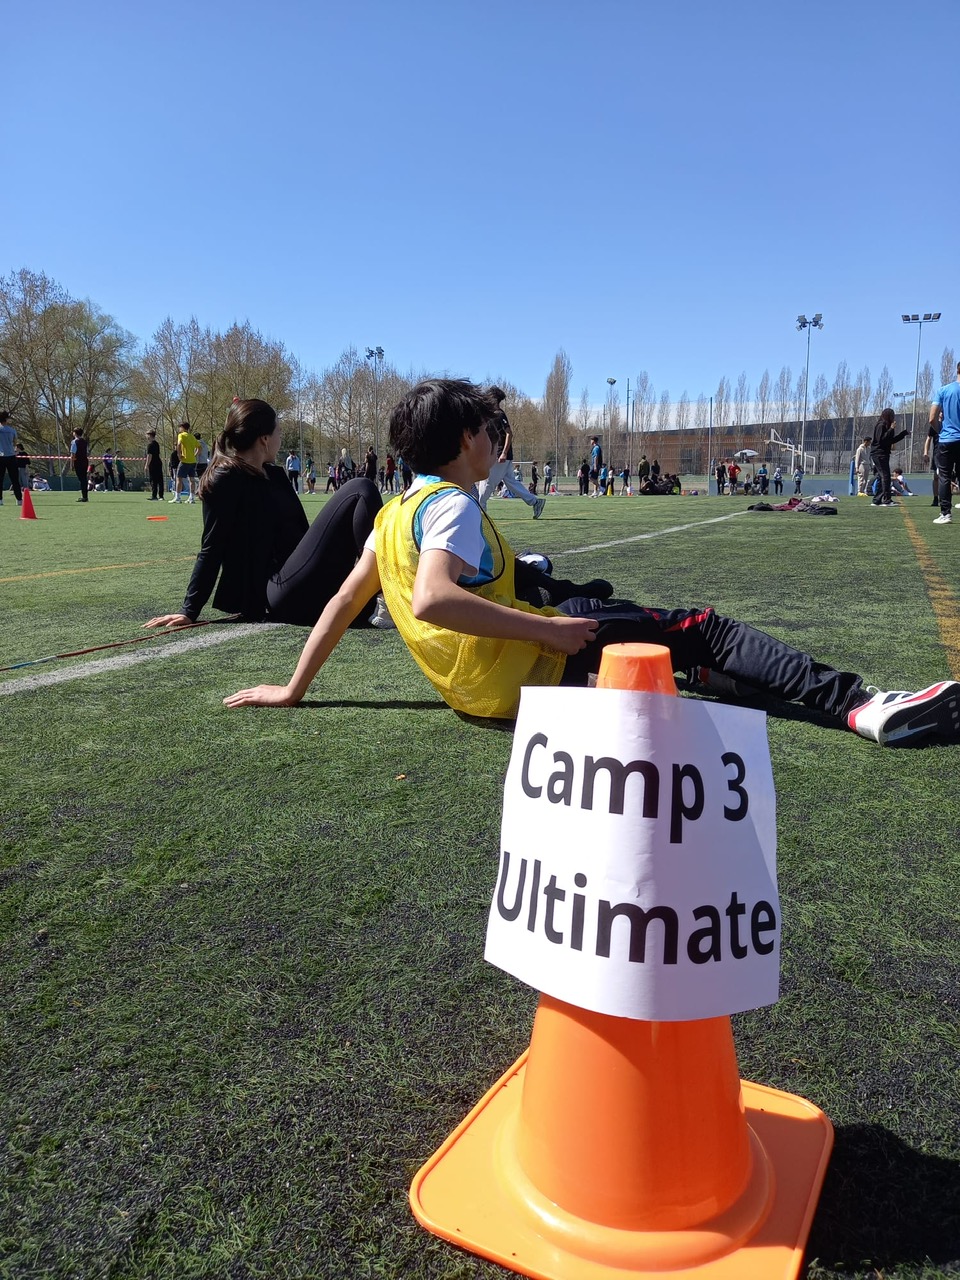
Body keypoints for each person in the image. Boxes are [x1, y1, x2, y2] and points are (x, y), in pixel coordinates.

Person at [223, 378, 960, 747]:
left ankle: (708, 675)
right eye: (487, 428)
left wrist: (293, 689)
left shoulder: (392, 515)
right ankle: (862, 704)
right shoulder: (451, 506)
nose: (495, 439)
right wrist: (546, 631)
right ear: (464, 442)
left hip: (485, 698)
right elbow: (432, 599)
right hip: (535, 669)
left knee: (637, 634)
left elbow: (342, 604)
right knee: (705, 627)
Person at [145, 399, 383, 630]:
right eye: (278, 431)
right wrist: (189, 610)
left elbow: (301, 536)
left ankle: (379, 596)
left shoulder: (275, 476)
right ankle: (384, 594)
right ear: (264, 439)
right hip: (278, 592)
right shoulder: (226, 479)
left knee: (364, 600)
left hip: (302, 580)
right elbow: (211, 548)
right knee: (360, 489)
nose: (281, 438)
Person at [476, 387, 545, 519]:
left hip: (500, 456)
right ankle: (535, 502)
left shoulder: (499, 414)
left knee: (486, 485)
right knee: (512, 484)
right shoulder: (491, 415)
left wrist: (504, 453)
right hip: (500, 456)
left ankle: (481, 516)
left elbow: (509, 433)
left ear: (493, 399)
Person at [932, 361, 960, 526]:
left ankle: (945, 513)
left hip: (947, 440)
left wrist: (940, 431)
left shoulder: (943, 390)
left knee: (944, 476)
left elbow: (932, 418)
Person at [869, 408, 908, 508]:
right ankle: (886, 500)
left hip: (882, 454)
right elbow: (881, 440)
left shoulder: (885, 426)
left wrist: (903, 434)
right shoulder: (881, 425)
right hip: (879, 454)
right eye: (892, 416)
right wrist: (891, 429)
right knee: (885, 476)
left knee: (881, 476)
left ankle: (877, 500)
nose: (893, 418)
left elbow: (890, 441)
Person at [170, 421, 200, 503]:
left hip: (185, 461)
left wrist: (179, 455)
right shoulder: (192, 437)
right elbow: (199, 448)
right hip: (193, 461)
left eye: (180, 427)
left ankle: (177, 498)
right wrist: (194, 455)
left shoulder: (181, 435)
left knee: (179, 479)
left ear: (182, 428)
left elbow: (179, 444)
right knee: (192, 479)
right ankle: (191, 498)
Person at [0, 411, 24, 506]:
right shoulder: (12, 430)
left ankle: (0, 500)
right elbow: (15, 443)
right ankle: (19, 500)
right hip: (11, 456)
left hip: (0, 456)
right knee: (15, 479)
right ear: (6, 419)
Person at [144, 431, 164, 500]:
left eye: (147, 435)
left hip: (153, 464)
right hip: (158, 463)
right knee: (160, 480)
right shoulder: (157, 444)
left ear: (150, 435)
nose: (146, 436)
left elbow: (149, 456)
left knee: (153, 480)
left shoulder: (150, 445)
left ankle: (154, 495)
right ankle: (161, 495)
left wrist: (146, 465)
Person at [71, 428, 89, 501]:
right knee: (84, 479)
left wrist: (72, 464)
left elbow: (73, 454)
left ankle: (84, 497)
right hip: (85, 461)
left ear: (75, 433)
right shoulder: (85, 442)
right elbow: (87, 452)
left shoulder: (74, 442)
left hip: (78, 461)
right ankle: (85, 496)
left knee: (81, 479)